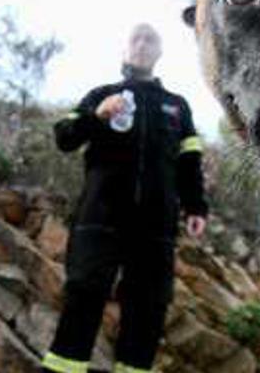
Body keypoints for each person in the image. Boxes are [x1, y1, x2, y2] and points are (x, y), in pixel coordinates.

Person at [41, 23, 208, 373]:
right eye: (137, 38)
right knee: (84, 297)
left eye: (151, 39)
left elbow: (189, 160)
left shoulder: (177, 106)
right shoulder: (101, 93)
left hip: (156, 226)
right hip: (99, 218)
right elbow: (64, 137)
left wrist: (196, 206)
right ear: (124, 49)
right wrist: (97, 115)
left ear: (159, 52)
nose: (143, 44)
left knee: (148, 309)